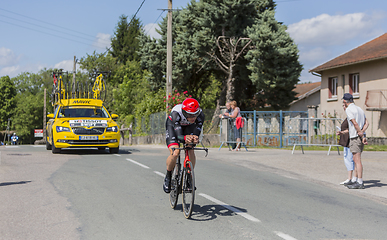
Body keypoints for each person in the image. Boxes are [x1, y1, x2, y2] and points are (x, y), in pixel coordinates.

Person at [163, 98, 205, 193]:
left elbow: (197, 132)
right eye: (190, 115)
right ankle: (168, 176)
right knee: (175, 152)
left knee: (190, 148)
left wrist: (195, 138)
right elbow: (179, 136)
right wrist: (185, 138)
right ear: (184, 112)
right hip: (173, 126)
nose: (193, 117)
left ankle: (189, 176)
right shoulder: (176, 113)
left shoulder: (200, 115)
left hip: (188, 127)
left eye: (195, 114)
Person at [336, 102, 368, 186]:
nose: (343, 107)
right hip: (356, 137)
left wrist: (360, 132)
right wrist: (362, 133)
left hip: (355, 138)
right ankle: (354, 179)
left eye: (344, 105)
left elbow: (355, 124)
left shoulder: (351, 112)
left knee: (356, 160)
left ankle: (359, 181)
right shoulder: (359, 110)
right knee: (354, 159)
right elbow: (366, 123)